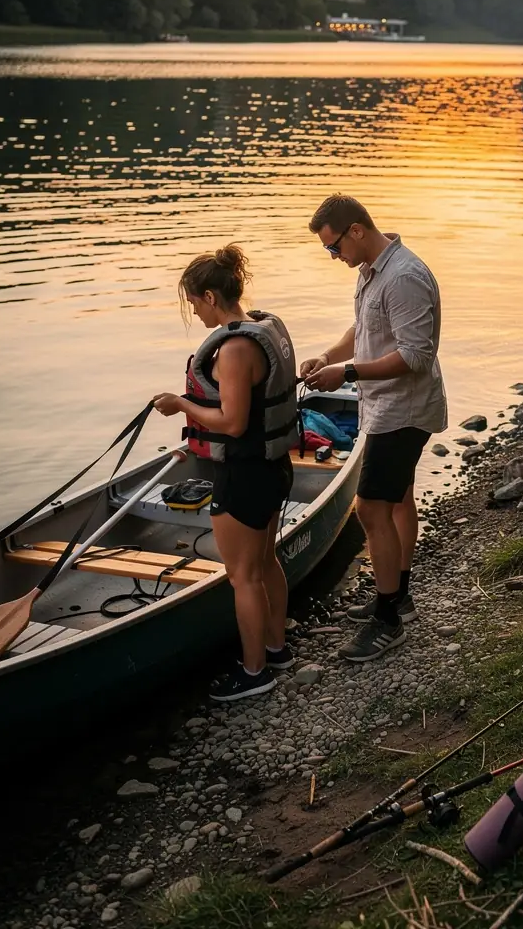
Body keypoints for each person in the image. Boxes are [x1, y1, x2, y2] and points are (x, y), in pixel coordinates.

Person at [302, 194, 447, 663]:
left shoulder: (403, 277)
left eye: (333, 247)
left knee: (369, 509)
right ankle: (397, 593)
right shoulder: (372, 271)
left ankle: (388, 621)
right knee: (399, 498)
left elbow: (414, 356)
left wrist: (346, 375)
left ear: (356, 231)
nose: (334, 257)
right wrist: (329, 356)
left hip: (403, 412)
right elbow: (361, 329)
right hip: (387, 408)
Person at [153, 245, 299, 703]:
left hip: (244, 474)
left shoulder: (234, 349)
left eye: (194, 302)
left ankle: (254, 672)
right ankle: (277, 651)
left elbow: (232, 422)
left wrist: (180, 404)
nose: (194, 311)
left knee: (242, 576)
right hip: (274, 467)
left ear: (212, 296)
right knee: (265, 562)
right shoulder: (263, 327)